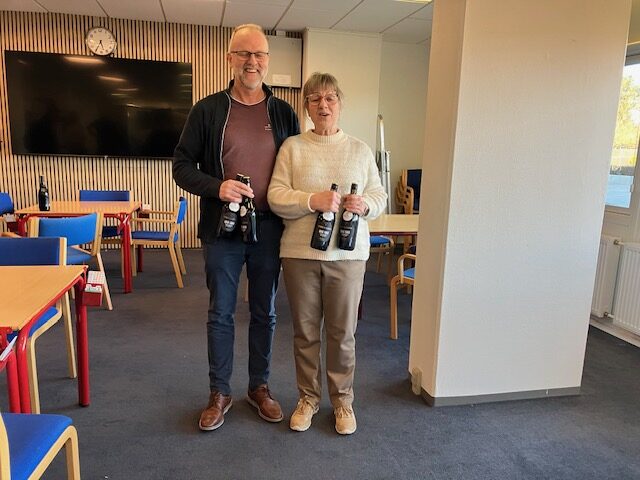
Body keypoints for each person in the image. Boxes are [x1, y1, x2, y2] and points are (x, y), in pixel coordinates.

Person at [173, 24, 300, 432]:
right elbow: (181, 166)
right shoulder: (208, 110)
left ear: (267, 61)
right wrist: (217, 186)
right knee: (221, 313)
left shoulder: (283, 113)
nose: (252, 61)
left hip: (269, 229)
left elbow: (297, 168)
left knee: (265, 312)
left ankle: (259, 387)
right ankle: (220, 392)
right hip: (222, 228)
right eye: (244, 53)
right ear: (230, 58)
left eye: (259, 54)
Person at [267, 72, 387, 435]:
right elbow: (275, 196)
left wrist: (365, 205)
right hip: (300, 255)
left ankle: (342, 402)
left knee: (342, 334)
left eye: (330, 98)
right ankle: (307, 399)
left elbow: (379, 196)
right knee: (305, 334)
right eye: (315, 99)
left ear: (340, 104)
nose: (323, 105)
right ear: (306, 106)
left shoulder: (360, 150)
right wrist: (311, 200)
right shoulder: (292, 148)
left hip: (347, 258)